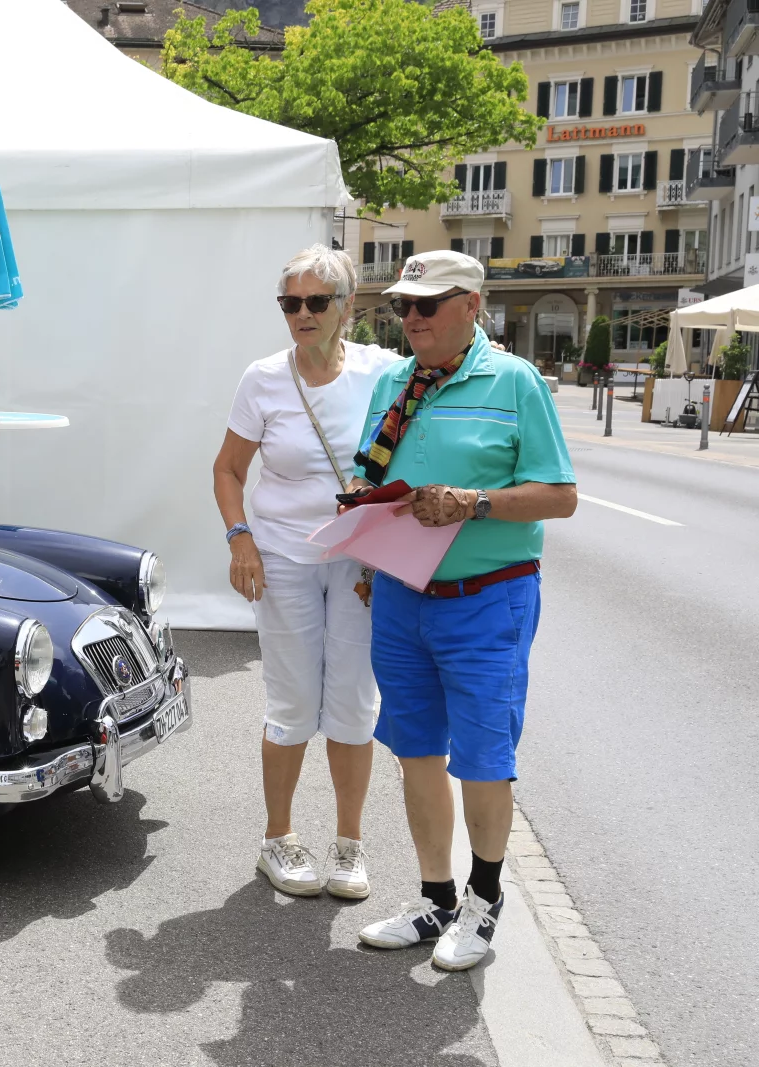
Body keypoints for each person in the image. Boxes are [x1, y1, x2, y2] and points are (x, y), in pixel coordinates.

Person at [352, 250, 576, 972]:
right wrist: (365, 543)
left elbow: (560, 495)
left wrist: (472, 502)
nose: (412, 318)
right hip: (401, 596)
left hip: (488, 599)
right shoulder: (394, 382)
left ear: (472, 305)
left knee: (483, 757)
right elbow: (371, 476)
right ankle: (436, 899)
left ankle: (484, 900)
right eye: (403, 306)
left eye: (428, 304)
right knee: (415, 749)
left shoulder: (515, 381)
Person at [214, 245, 401, 902]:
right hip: (284, 559)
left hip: (359, 562)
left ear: (348, 306)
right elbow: (228, 469)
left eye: (316, 301)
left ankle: (349, 843)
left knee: (353, 702)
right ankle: (279, 838)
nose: (302, 313)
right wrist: (240, 539)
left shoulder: (384, 372)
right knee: (292, 701)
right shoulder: (264, 378)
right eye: (290, 302)